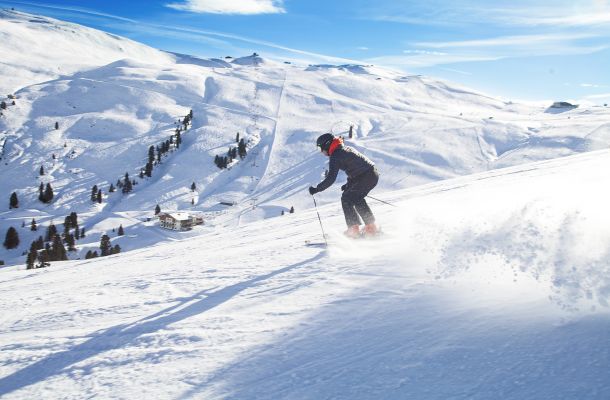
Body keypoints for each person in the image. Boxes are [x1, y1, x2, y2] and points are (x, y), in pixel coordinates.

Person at [308, 133, 379, 238]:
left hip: (366, 176)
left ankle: (356, 230)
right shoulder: (344, 149)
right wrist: (349, 184)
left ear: (326, 145)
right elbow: (356, 167)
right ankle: (370, 227)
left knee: (347, 198)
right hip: (371, 174)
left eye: (321, 148)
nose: (321, 151)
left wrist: (317, 189)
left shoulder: (336, 156)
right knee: (355, 198)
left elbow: (331, 178)